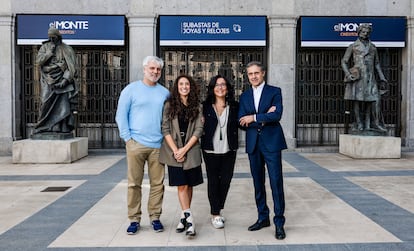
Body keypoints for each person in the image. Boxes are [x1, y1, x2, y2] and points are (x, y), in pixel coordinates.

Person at [115, 56, 170, 235]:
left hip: (158, 146)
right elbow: (121, 115)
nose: (155, 72)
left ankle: (155, 217)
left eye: (158, 70)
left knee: (158, 184)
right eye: (152, 69)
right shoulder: (130, 90)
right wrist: (128, 139)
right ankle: (134, 219)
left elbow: (169, 118)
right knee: (134, 184)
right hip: (136, 144)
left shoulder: (164, 93)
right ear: (144, 68)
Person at [238, 61, 288, 240]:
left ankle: (279, 222)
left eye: (256, 73)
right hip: (253, 144)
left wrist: (254, 118)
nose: (253, 76)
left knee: (276, 182)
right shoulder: (244, 96)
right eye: (250, 74)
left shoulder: (275, 92)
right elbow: (240, 121)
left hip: (272, 144)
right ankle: (263, 217)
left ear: (263, 73)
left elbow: (277, 115)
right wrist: (263, 117)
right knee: (258, 183)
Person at [159, 74, 204, 238]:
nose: (184, 86)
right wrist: (176, 150)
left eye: (187, 84)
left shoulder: (197, 106)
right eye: (181, 84)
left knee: (189, 185)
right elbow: (165, 129)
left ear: (191, 87)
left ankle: (183, 216)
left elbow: (199, 129)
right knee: (181, 186)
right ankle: (190, 220)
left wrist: (184, 149)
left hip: (190, 150)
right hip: (173, 151)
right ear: (177, 87)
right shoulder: (169, 105)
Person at [201, 75, 239, 229]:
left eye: (223, 84)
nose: (220, 87)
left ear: (228, 88)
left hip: (229, 149)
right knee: (213, 181)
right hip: (210, 149)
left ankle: (218, 207)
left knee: (226, 181)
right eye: (217, 85)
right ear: (212, 88)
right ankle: (215, 213)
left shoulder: (235, 106)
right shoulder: (205, 106)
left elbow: (243, 122)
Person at [341, 23, 388, 132]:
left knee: (375, 99)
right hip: (358, 76)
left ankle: (374, 123)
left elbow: (377, 64)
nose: (365, 33)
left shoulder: (373, 47)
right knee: (357, 100)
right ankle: (359, 123)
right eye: (363, 32)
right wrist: (348, 74)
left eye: (367, 32)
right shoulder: (353, 46)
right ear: (358, 32)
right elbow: (344, 61)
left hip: (370, 77)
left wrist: (382, 77)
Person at [34, 26, 78, 135]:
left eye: (54, 37)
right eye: (50, 38)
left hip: (63, 83)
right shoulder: (44, 48)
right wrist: (49, 53)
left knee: (63, 106)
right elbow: (38, 62)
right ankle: (42, 127)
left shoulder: (67, 49)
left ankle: (60, 128)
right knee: (45, 102)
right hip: (48, 82)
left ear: (59, 37)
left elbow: (72, 67)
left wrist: (65, 80)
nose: (52, 40)